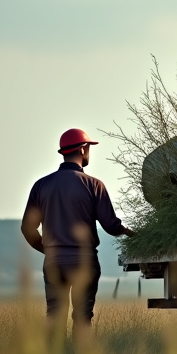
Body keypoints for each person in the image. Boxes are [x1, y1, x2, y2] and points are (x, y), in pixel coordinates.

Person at [20, 128, 133, 330]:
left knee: (54, 314)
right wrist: (129, 232)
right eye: (89, 147)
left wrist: (48, 249)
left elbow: (27, 228)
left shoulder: (41, 186)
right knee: (82, 317)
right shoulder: (94, 185)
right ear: (82, 149)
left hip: (54, 261)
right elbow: (111, 226)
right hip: (84, 261)